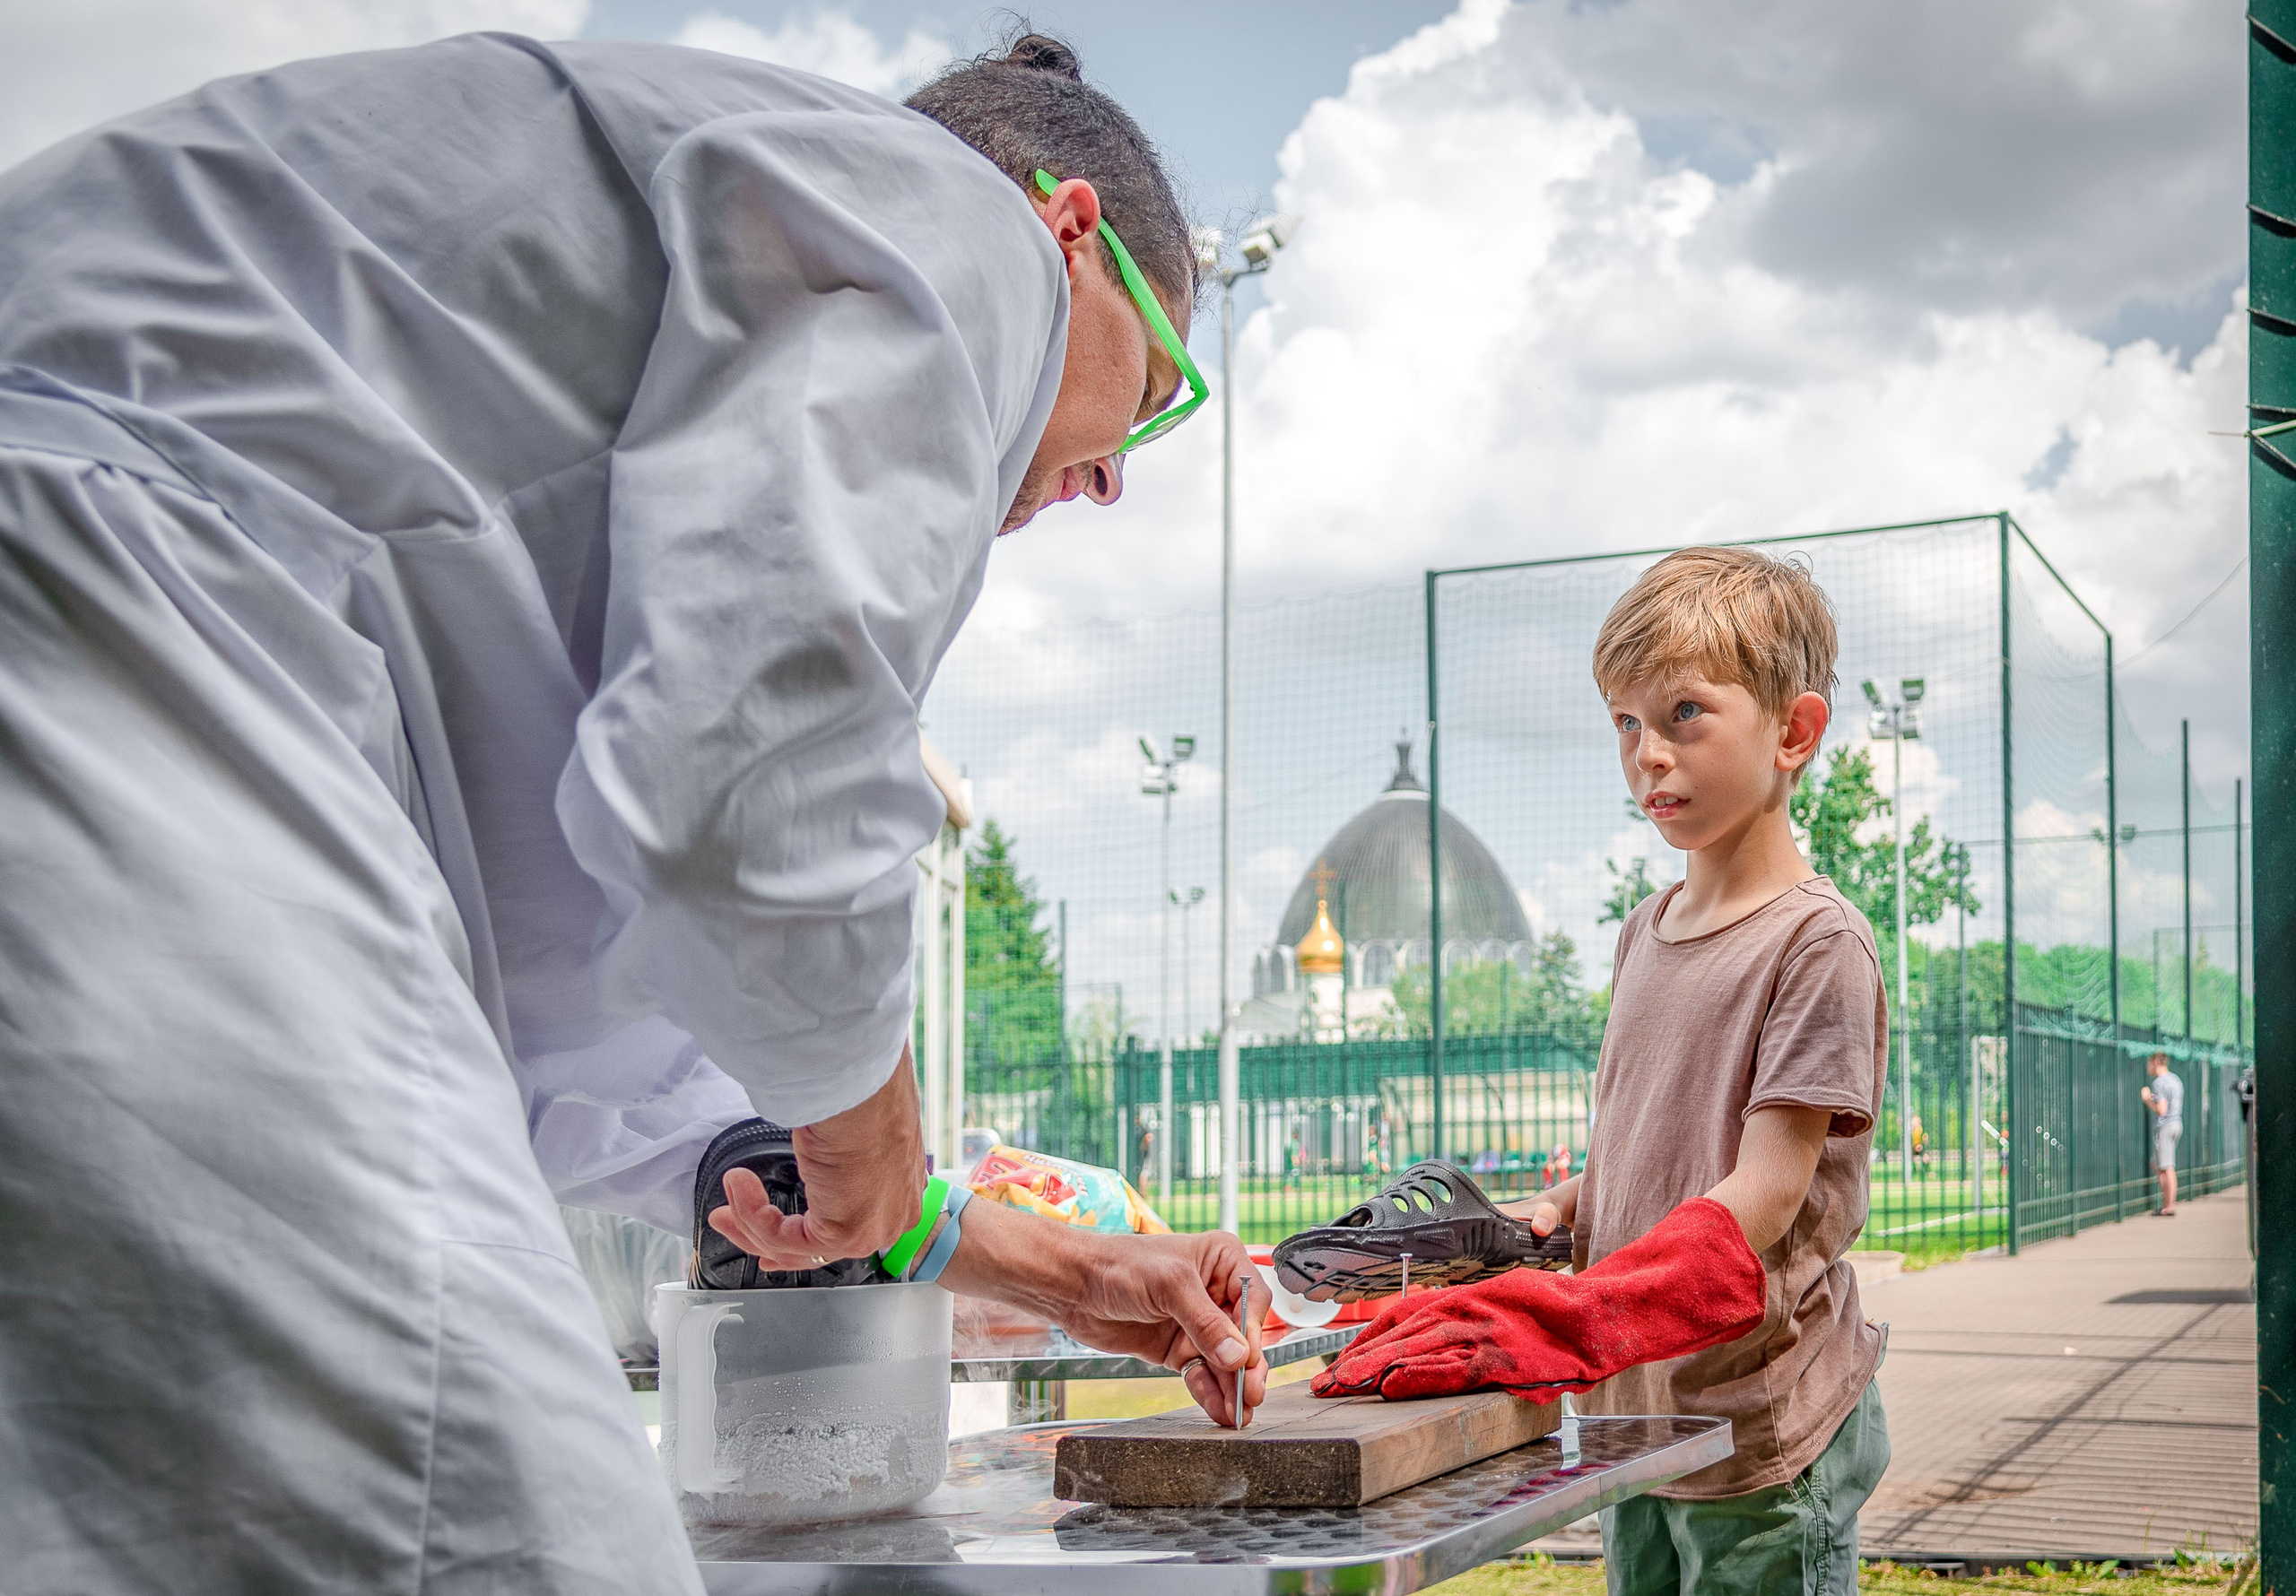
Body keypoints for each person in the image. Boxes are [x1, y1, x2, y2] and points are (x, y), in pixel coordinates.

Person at [0, 30, 1265, 1596]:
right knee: (498, 1517)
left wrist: (1025, 1255)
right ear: (1068, 228)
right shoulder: (961, 221)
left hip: (97, 648)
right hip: (88, 613)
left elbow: (570, 981)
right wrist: (872, 1132)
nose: (1112, 480)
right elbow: (764, 756)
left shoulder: (571, 374)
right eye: (1152, 389)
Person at [1315, 549, 1889, 1596]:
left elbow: (1764, 1193)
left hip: (1762, 1425)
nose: (1646, 754)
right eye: (1625, 722)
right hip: (1635, 1409)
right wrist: (1559, 1210)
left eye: (1683, 714)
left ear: (1793, 733)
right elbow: (1655, 1148)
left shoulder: (1816, 943)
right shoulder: (1642, 933)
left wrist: (1559, 1315)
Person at [2142, 1052, 2185, 1215]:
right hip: (2176, 1123)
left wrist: (2147, 1099)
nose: (2148, 1067)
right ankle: (2168, 1204)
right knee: (2157, 1162)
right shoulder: (2175, 1079)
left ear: (2156, 1062)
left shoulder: (2159, 1082)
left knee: (2166, 1167)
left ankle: (2168, 1206)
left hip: (2165, 1126)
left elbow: (2161, 1109)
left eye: (2149, 1063)